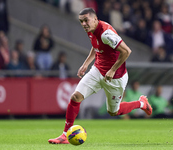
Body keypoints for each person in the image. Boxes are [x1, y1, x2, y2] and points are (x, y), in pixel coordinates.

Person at [48, 8, 152, 144]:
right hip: (97, 71)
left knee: (114, 112)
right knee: (75, 97)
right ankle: (64, 135)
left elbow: (127, 51)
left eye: (86, 20)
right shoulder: (92, 30)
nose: (84, 24)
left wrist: (113, 70)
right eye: (81, 21)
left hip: (115, 78)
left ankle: (141, 103)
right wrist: (86, 64)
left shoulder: (106, 33)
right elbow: (96, 45)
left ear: (95, 19)